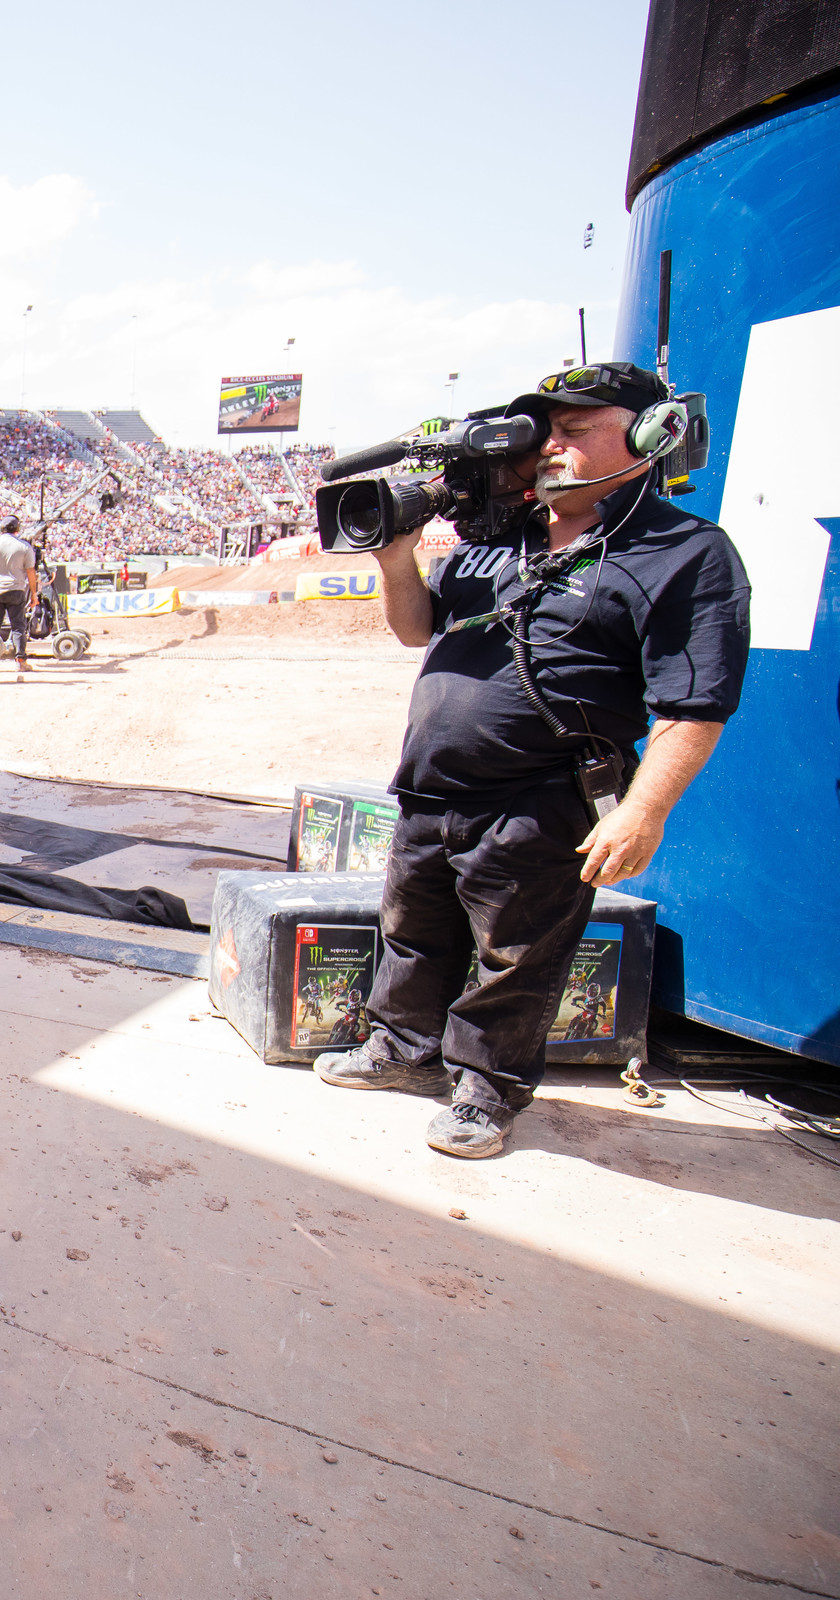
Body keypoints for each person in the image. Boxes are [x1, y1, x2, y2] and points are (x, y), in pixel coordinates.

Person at [314, 362, 749, 1158]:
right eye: (545, 430)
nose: (551, 445)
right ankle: (404, 1053)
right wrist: (396, 558)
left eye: (576, 429)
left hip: (539, 801)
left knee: (516, 958)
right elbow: (418, 630)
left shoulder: (684, 552)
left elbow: (694, 704)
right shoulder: (495, 538)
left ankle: (486, 1092)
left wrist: (645, 808)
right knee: (413, 936)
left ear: (652, 436)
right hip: (430, 791)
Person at [0, 514, 37, 671]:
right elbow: (31, 571)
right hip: (16, 589)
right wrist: (33, 594)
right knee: (18, 627)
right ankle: (20, 661)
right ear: (17, 528)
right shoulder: (24, 546)